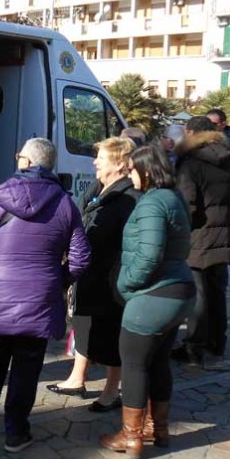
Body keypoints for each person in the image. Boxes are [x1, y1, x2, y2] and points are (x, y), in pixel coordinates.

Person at [0, 138, 90, 452]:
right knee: (26, 368)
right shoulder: (65, 203)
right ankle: (16, 432)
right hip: (40, 297)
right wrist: (57, 280)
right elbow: (81, 258)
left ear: (26, 162)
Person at [100, 145, 194, 459]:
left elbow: (150, 253)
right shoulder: (174, 198)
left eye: (133, 168)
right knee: (158, 362)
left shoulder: (154, 202)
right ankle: (158, 429)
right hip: (176, 292)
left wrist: (126, 283)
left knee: (135, 364)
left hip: (154, 296)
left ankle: (132, 436)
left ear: (147, 170)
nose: (130, 174)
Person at [47, 137, 138, 414]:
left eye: (102, 157)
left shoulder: (129, 196)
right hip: (91, 274)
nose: (95, 162)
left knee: (111, 334)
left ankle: (111, 391)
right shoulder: (101, 188)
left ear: (120, 163)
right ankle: (77, 378)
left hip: (111, 278)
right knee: (84, 325)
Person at [171, 116, 230, 368]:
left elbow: (186, 204)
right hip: (222, 235)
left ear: (191, 132)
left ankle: (194, 347)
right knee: (217, 291)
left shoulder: (191, 163)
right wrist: (222, 220)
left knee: (198, 294)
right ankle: (217, 341)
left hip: (197, 237)